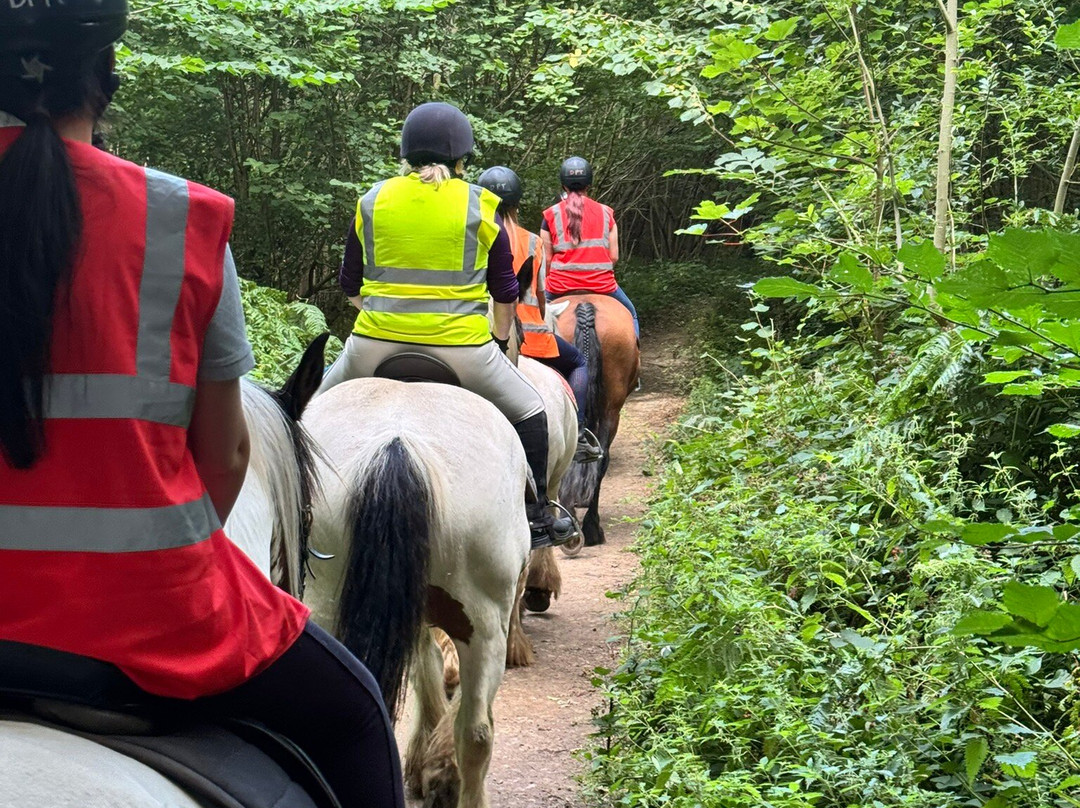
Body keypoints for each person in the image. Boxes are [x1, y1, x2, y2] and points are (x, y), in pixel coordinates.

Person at [0, 3, 403, 806]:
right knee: (356, 720)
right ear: (106, 81)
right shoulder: (181, 218)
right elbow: (225, 458)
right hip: (150, 616)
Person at [319, 102, 575, 548]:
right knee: (532, 412)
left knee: (302, 410)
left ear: (405, 155)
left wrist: (385, 311)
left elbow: (350, 285)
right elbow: (505, 293)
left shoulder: (372, 200)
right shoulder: (482, 205)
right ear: (461, 160)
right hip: (463, 351)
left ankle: (293, 505)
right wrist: (496, 337)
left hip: (373, 347)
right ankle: (538, 518)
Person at [477, 165, 602, 464]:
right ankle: (581, 432)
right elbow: (542, 295)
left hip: (482, 337)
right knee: (578, 363)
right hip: (533, 338)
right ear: (517, 205)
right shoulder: (532, 241)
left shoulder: (474, 238)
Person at [542, 156, 640, 340]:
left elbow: (546, 259)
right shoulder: (606, 213)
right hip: (602, 285)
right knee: (631, 313)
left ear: (564, 185)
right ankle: (636, 353)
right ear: (589, 185)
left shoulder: (550, 215)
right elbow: (614, 256)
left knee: (530, 316)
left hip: (558, 286)